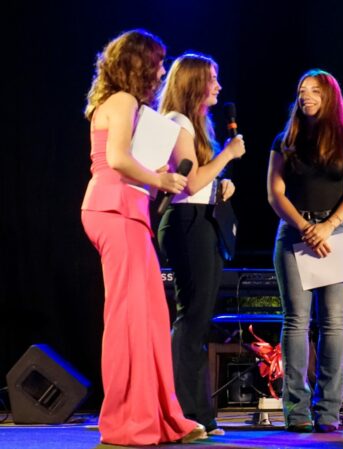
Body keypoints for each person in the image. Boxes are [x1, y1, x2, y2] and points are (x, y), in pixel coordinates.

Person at [80, 29, 206, 445]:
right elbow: (116, 159)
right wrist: (161, 178)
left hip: (126, 212)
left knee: (151, 318)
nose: (161, 69)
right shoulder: (123, 100)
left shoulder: (119, 103)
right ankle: (125, 421)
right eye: (156, 61)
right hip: (114, 210)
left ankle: (161, 415)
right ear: (138, 64)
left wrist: (160, 179)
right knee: (128, 321)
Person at [267, 69, 343, 433]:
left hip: (337, 232)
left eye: (313, 91)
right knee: (296, 321)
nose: (306, 96)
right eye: (301, 91)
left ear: (329, 97)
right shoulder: (286, 139)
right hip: (294, 232)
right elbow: (275, 194)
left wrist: (327, 227)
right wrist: (305, 228)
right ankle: (296, 411)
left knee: (333, 321)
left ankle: (327, 411)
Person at [157, 53, 246, 436]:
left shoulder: (193, 125)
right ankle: (187, 413)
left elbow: (200, 181)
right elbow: (189, 183)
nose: (219, 86)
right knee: (191, 318)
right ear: (195, 83)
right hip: (187, 224)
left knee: (198, 319)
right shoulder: (177, 123)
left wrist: (221, 184)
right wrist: (228, 154)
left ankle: (199, 415)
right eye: (213, 78)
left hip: (201, 220)